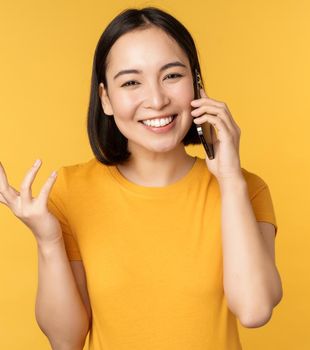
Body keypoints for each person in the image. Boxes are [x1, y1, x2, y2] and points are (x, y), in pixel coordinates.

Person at [0, 6, 281, 349]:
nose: (157, 99)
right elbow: (65, 341)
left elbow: (254, 310)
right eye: (131, 82)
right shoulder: (70, 192)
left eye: (172, 76)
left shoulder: (246, 189)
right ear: (105, 98)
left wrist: (230, 180)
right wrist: (47, 241)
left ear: (197, 85)